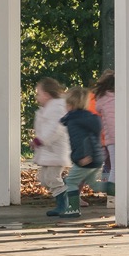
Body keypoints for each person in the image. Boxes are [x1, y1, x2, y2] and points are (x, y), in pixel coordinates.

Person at [47, 86, 103, 220]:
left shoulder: (74, 121)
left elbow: (80, 140)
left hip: (85, 158)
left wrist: (83, 156)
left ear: (71, 105)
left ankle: (73, 209)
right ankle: (118, 189)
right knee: (94, 184)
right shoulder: (88, 118)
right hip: (96, 157)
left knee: (70, 181)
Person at [90, 70, 117, 203]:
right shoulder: (122, 97)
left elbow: (98, 110)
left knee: (114, 168)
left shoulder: (101, 99)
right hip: (122, 138)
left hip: (110, 139)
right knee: (121, 168)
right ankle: (113, 193)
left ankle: (112, 198)